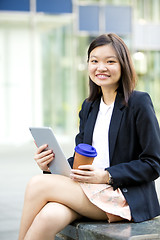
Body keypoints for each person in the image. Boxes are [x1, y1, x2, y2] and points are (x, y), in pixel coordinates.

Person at [18, 33, 160, 240]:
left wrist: (106, 175)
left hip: (122, 196)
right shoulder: (89, 107)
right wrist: (50, 165)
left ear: (123, 65)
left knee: (37, 185)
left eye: (110, 61)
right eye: (94, 61)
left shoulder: (139, 103)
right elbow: (80, 160)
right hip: (90, 190)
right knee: (48, 217)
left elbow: (153, 163)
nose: (100, 67)